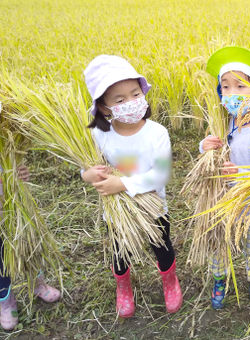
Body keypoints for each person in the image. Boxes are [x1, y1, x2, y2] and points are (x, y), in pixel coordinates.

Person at [82, 55, 182, 317]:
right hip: (116, 213)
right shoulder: (99, 135)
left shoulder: (156, 133)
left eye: (135, 94)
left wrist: (121, 183)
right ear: (104, 108)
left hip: (153, 208)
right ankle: (123, 287)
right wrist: (89, 175)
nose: (131, 103)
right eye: (120, 100)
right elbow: (87, 170)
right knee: (119, 250)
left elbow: (159, 175)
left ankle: (169, 281)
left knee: (162, 245)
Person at [199, 46, 250, 314]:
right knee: (220, 243)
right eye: (226, 87)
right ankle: (220, 280)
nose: (231, 94)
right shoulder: (226, 120)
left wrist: (239, 175)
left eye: (240, 87)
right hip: (222, 199)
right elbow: (212, 148)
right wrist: (203, 145)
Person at [0, 163, 60, 331]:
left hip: (16, 208)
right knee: (0, 260)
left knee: (28, 247)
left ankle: (37, 284)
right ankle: (5, 301)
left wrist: (20, 171)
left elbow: (14, 158)